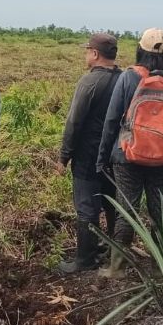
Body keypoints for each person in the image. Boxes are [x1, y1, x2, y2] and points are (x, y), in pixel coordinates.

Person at [96, 28, 163, 278]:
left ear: (140, 48)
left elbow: (111, 120)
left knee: (127, 210)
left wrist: (102, 157)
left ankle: (116, 268)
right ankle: (162, 269)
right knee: (161, 212)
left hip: (127, 157)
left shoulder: (128, 78)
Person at [57, 33, 122, 273]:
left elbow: (74, 122)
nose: (86, 55)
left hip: (88, 156)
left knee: (86, 207)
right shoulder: (126, 80)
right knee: (114, 204)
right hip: (117, 156)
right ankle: (116, 253)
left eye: (87, 51)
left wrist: (64, 156)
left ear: (95, 54)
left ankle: (85, 260)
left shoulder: (90, 82)